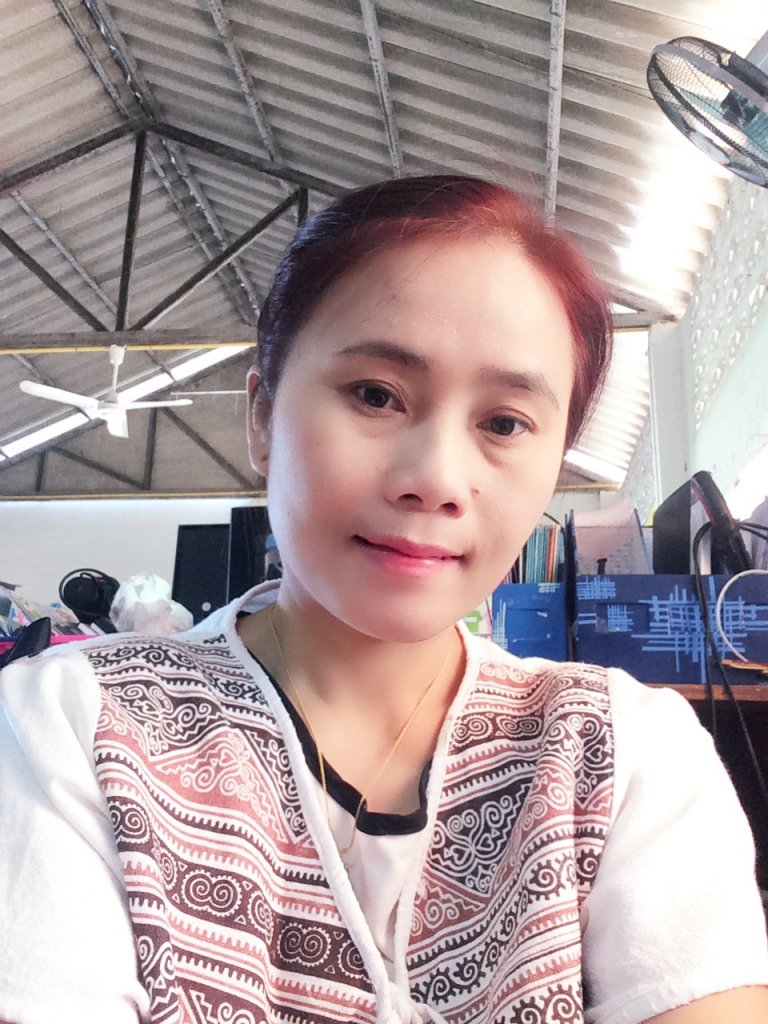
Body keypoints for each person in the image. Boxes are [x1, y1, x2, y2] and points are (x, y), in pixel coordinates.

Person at [1, 174, 767, 1024]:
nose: (436, 479)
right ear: (261, 418)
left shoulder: (623, 755)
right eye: (376, 395)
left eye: (504, 423)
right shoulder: (71, 723)